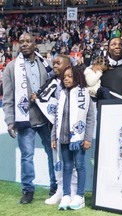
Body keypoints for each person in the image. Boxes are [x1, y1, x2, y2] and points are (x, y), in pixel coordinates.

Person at [2, 33, 56, 204]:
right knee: (27, 156)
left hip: (46, 117)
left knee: (52, 153)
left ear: (35, 44)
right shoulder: (11, 67)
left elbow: (55, 90)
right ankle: (28, 190)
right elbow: (8, 96)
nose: (24, 44)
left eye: (28, 42)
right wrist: (10, 121)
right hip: (24, 118)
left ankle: (56, 186)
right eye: (21, 42)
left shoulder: (46, 64)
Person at [34, 54, 78, 205]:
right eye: (53, 63)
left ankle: (74, 191)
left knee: (73, 161)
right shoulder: (51, 82)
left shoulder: (78, 83)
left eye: (58, 63)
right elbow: (42, 97)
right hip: (56, 129)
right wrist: (37, 97)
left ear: (68, 63)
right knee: (58, 160)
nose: (55, 65)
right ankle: (60, 190)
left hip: (74, 129)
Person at [51, 66, 95, 210]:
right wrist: (53, 138)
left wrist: (87, 138)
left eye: (70, 76)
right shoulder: (61, 95)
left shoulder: (85, 94)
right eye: (64, 77)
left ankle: (80, 196)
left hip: (79, 139)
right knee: (67, 167)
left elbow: (90, 118)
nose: (67, 79)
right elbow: (56, 119)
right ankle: (66, 195)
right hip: (63, 138)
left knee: (80, 166)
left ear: (77, 77)